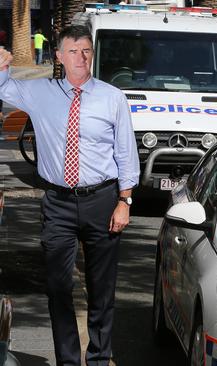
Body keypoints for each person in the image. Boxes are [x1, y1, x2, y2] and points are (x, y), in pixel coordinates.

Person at [0, 25, 139, 366]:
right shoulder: (39, 93)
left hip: (103, 200)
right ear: (59, 57)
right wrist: (1, 65)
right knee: (59, 288)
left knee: (101, 290)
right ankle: (67, 361)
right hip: (58, 203)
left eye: (86, 51)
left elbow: (126, 152)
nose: (81, 57)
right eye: (73, 51)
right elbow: (3, 88)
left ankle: (98, 357)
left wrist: (125, 200)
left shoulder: (112, 97)